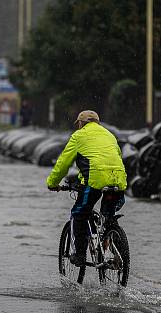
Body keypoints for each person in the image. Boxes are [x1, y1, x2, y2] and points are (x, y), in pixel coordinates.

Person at [45, 110, 127, 267]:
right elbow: (110, 159)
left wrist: (52, 183)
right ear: (97, 122)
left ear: (80, 123)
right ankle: (113, 244)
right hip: (118, 181)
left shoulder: (78, 136)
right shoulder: (109, 135)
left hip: (95, 181)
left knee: (79, 213)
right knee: (108, 218)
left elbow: (63, 163)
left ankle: (79, 255)